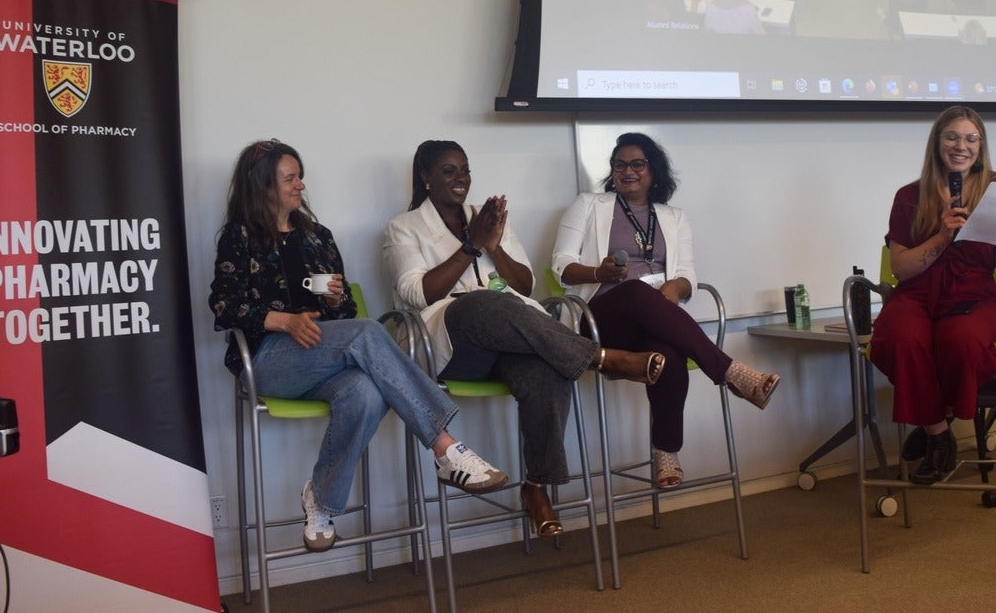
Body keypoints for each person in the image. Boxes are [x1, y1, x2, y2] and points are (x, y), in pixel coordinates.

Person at [209, 139, 508, 553]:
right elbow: (224, 305)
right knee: (367, 332)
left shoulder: (317, 236)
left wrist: (334, 300)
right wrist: (284, 321)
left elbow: (345, 309)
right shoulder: (239, 237)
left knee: (366, 393)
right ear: (263, 186)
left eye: (300, 175)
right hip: (266, 360)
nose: (301, 185)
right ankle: (446, 448)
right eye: (290, 178)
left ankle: (321, 500)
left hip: (318, 361)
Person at [383, 140, 665, 537]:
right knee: (481, 302)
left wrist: (495, 248)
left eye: (465, 170)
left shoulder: (487, 219)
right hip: (450, 342)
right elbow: (418, 294)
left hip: (509, 330)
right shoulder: (403, 227)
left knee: (545, 367)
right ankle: (601, 357)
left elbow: (525, 285)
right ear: (425, 177)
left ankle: (536, 486)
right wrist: (470, 246)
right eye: (448, 171)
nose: (460, 178)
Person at [551, 132, 781, 489]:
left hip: (655, 316)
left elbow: (687, 275)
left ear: (653, 171)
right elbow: (561, 266)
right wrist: (599, 272)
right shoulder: (588, 205)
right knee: (633, 291)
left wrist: (675, 288)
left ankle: (666, 452)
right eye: (619, 164)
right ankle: (731, 373)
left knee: (669, 354)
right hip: (599, 321)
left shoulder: (674, 217)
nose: (628, 171)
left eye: (637, 164)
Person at [870, 107, 996, 485]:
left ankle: (928, 425)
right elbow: (902, 269)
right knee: (897, 336)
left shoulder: (993, 189)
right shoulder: (910, 196)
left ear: (981, 146)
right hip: (918, 291)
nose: (961, 146)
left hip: (973, 293)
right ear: (937, 143)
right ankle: (940, 435)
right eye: (952, 137)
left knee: (961, 341)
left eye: (971, 139)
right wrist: (943, 235)